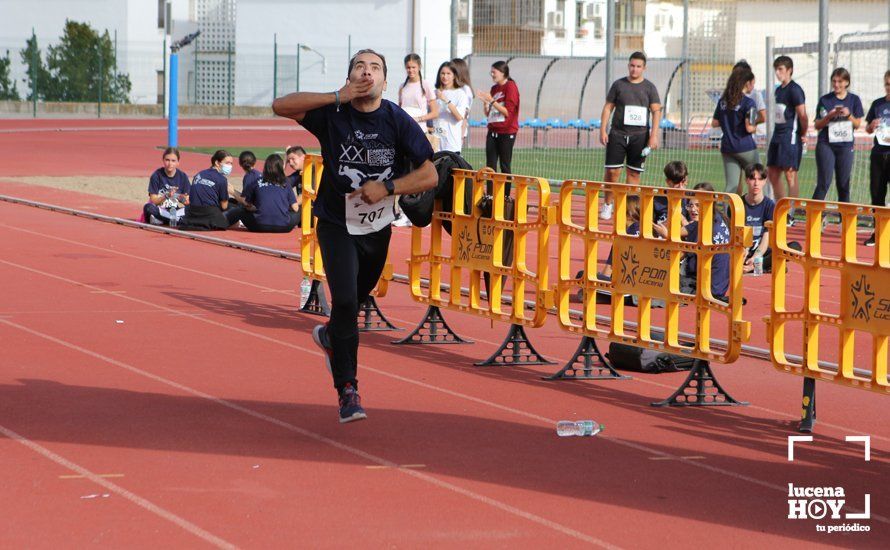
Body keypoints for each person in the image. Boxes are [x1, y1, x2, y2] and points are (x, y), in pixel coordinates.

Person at [272, 48, 437, 423]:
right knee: (345, 302)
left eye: (375, 67)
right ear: (350, 76)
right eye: (360, 66)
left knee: (353, 305)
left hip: (377, 228)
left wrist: (390, 187)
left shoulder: (395, 119)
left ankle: (332, 337)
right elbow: (280, 105)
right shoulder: (333, 114)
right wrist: (336, 96)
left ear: (384, 79)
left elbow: (431, 174)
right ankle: (348, 389)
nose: (367, 72)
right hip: (334, 223)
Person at [600, 51, 662, 220]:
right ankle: (607, 203)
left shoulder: (649, 88)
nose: (635, 69)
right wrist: (603, 129)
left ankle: (629, 210)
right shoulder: (618, 85)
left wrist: (653, 136)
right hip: (618, 134)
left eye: (638, 67)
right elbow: (608, 108)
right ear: (628, 66)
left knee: (633, 174)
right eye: (632, 66)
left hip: (640, 137)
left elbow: (656, 112)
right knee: (613, 172)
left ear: (644, 68)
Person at [813, 68, 863, 204]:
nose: (836, 84)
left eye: (840, 81)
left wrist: (848, 115)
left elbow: (858, 124)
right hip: (826, 144)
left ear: (846, 82)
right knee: (824, 182)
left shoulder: (854, 100)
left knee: (843, 184)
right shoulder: (825, 100)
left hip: (845, 146)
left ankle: (844, 218)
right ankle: (813, 216)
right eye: (834, 81)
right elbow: (817, 125)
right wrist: (830, 115)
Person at [767, 56, 808, 223]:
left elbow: (803, 115)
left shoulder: (795, 90)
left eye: (781, 69)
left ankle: (791, 213)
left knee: (790, 174)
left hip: (790, 136)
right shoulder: (778, 90)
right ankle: (781, 209)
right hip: (777, 135)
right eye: (776, 69)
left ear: (789, 70)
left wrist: (803, 133)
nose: (778, 73)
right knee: (772, 173)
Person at [712, 67, 759, 194]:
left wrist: (729, 123)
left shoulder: (723, 101)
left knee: (731, 186)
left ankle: (727, 212)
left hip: (728, 147)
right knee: (757, 182)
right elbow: (749, 127)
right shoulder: (749, 103)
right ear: (747, 83)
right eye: (753, 83)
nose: (753, 86)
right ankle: (760, 213)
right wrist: (756, 126)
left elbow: (714, 123)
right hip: (746, 148)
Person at [682, 182, 731, 301]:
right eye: (691, 205)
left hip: (706, 288)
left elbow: (673, 236)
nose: (693, 210)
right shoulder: (720, 218)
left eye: (698, 205)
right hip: (719, 287)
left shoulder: (706, 226)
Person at [230, 154, 300, 233]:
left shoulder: (257, 181)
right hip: (284, 227)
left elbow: (246, 203)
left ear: (266, 167)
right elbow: (295, 208)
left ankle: (225, 222)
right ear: (281, 168)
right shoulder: (285, 182)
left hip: (259, 226)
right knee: (299, 210)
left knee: (240, 209)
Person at [179, 150, 240, 231]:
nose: (230, 166)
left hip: (192, 213)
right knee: (238, 209)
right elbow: (224, 206)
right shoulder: (222, 179)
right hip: (209, 215)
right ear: (217, 163)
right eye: (227, 163)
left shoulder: (199, 174)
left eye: (231, 163)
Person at [477, 60, 520, 175]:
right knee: (490, 165)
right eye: (490, 72)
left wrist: (491, 100)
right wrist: (486, 103)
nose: (492, 75)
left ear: (503, 72)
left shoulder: (510, 86)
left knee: (504, 165)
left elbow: (507, 112)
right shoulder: (494, 88)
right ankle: (491, 192)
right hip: (492, 130)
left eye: (494, 72)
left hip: (506, 131)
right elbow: (489, 114)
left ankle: (505, 193)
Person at [864, 70, 890, 247]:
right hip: (878, 154)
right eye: (887, 84)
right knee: (877, 194)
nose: (889, 87)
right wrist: (871, 125)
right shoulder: (877, 104)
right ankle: (877, 231)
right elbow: (867, 128)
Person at [143, 147, 190, 226]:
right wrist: (166, 195)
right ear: (163, 160)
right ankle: (175, 220)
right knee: (148, 208)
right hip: (160, 210)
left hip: (176, 210)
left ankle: (164, 220)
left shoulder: (183, 176)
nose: (170, 164)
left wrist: (178, 197)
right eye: (167, 160)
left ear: (178, 162)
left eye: (173, 161)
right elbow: (154, 200)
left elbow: (187, 201)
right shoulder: (156, 175)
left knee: (193, 209)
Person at [433, 61, 471, 154]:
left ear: (454, 75)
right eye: (442, 73)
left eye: (448, 74)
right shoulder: (434, 93)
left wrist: (445, 100)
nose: (445, 77)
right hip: (436, 141)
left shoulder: (460, 94)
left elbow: (459, 117)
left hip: (451, 143)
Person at [398, 53, 439, 130]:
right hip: (404, 129)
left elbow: (435, 113)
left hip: (419, 129)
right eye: (408, 67)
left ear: (419, 67)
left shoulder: (426, 85)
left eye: (413, 67)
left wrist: (418, 119)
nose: (411, 70)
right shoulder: (402, 87)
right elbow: (399, 110)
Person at [450, 57, 475, 141]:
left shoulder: (465, 89)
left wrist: (461, 133)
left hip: (457, 130)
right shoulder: (450, 88)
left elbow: (464, 114)